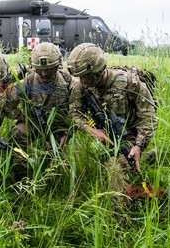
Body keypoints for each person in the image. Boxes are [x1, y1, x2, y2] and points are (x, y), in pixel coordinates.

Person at [67, 43, 157, 219]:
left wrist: (138, 145)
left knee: (115, 167)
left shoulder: (130, 84)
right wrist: (91, 130)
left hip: (129, 137)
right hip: (101, 136)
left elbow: (149, 118)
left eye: (87, 76)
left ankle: (118, 222)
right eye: (80, 77)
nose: (83, 81)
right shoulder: (81, 87)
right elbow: (74, 113)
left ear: (100, 69)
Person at [11, 42, 77, 179]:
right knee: (17, 134)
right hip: (33, 123)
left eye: (49, 69)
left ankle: (57, 182)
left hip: (60, 128)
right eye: (39, 69)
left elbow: (77, 112)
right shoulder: (28, 82)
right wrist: (22, 116)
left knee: (60, 157)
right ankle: (22, 177)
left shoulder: (69, 83)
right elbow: (7, 103)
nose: (43, 73)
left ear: (57, 65)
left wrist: (67, 132)